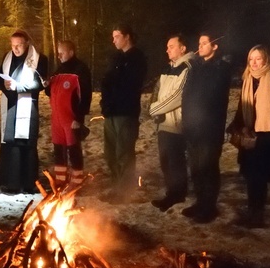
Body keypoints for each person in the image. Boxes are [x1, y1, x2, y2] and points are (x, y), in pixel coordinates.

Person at [227, 45, 270, 228]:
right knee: (250, 176)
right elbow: (241, 107)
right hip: (249, 135)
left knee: (260, 177)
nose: (254, 63)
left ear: (266, 60)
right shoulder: (248, 80)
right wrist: (240, 126)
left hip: (267, 136)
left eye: (258, 58)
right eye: (251, 59)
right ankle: (252, 210)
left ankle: (258, 215)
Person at [180, 33, 231, 223]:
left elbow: (213, 98)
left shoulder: (221, 68)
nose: (199, 46)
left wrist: (201, 117)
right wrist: (187, 121)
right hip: (193, 127)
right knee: (196, 167)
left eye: (204, 43)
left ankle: (209, 207)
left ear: (215, 46)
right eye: (199, 43)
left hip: (210, 128)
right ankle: (200, 202)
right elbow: (187, 95)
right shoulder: (196, 67)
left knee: (208, 167)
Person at [100, 25, 147, 201]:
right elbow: (107, 82)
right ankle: (116, 187)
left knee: (124, 153)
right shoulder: (117, 58)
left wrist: (113, 82)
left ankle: (125, 191)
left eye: (117, 36)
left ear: (127, 37)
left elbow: (127, 85)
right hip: (111, 112)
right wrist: (105, 104)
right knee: (110, 153)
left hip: (126, 113)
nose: (114, 40)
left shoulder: (137, 58)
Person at [0, 29, 47, 193]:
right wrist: (5, 86)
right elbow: (0, 79)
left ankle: (28, 182)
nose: (15, 49)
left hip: (28, 105)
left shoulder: (39, 59)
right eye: (13, 45)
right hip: (11, 105)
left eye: (19, 45)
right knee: (11, 143)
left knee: (26, 143)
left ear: (27, 44)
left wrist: (18, 86)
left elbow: (39, 84)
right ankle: (12, 182)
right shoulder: (7, 57)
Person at [149, 34, 193, 211]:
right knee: (165, 161)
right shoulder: (169, 68)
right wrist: (156, 107)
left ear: (183, 48)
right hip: (164, 122)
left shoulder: (187, 68)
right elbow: (158, 92)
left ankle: (177, 194)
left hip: (176, 123)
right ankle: (171, 193)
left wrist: (154, 109)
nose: (167, 49)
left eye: (172, 46)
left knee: (175, 162)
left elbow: (177, 97)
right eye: (167, 46)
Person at [46, 40, 92, 189]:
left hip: (70, 118)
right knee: (58, 149)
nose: (59, 55)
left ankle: (77, 181)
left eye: (62, 52)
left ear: (71, 52)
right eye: (58, 52)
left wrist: (79, 118)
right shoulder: (59, 70)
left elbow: (85, 96)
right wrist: (46, 85)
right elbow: (50, 92)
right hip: (57, 118)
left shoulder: (80, 70)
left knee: (73, 150)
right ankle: (60, 180)